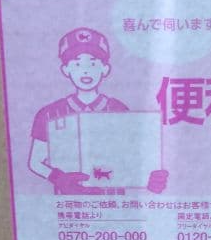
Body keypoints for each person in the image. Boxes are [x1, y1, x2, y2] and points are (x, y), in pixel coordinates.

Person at [28, 26, 168, 195]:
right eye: (77, 63)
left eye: (93, 63)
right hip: (68, 203)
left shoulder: (119, 109)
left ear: (105, 69)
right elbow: (35, 162)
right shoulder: (49, 113)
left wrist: (148, 178)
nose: (86, 70)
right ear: (65, 69)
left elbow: (132, 156)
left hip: (112, 202)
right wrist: (58, 178)